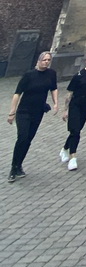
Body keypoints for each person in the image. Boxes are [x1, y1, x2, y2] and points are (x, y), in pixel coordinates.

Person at [6, 50, 58, 182]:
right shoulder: (29, 75)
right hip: (24, 111)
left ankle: (19, 165)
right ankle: (13, 167)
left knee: (28, 139)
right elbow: (17, 93)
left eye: (48, 60)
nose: (46, 62)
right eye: (44, 60)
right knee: (22, 137)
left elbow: (54, 88)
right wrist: (12, 112)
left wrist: (56, 103)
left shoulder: (51, 74)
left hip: (38, 111)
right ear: (38, 61)